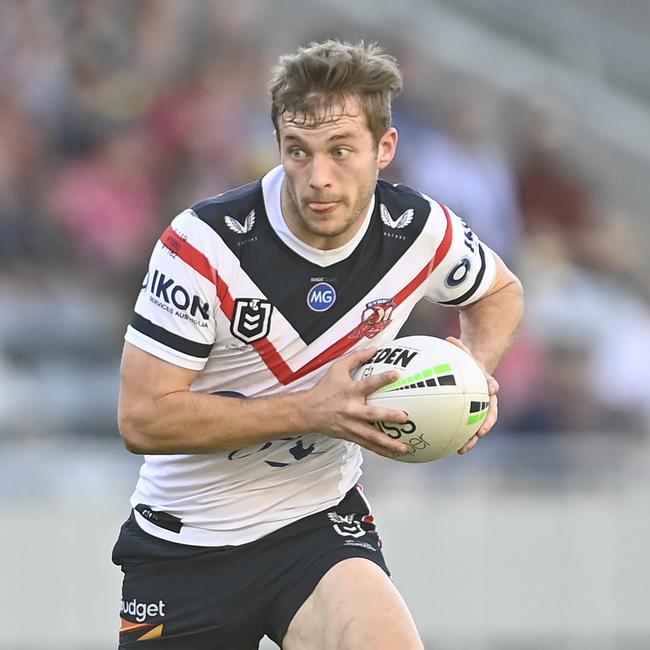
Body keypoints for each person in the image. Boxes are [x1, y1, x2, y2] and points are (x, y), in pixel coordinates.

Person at [113, 39, 524, 650]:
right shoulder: (205, 246)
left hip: (316, 525)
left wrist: (472, 372)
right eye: (297, 152)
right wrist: (311, 409)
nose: (318, 178)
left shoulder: (417, 231)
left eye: (341, 151)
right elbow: (142, 419)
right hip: (186, 544)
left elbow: (499, 292)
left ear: (384, 149)